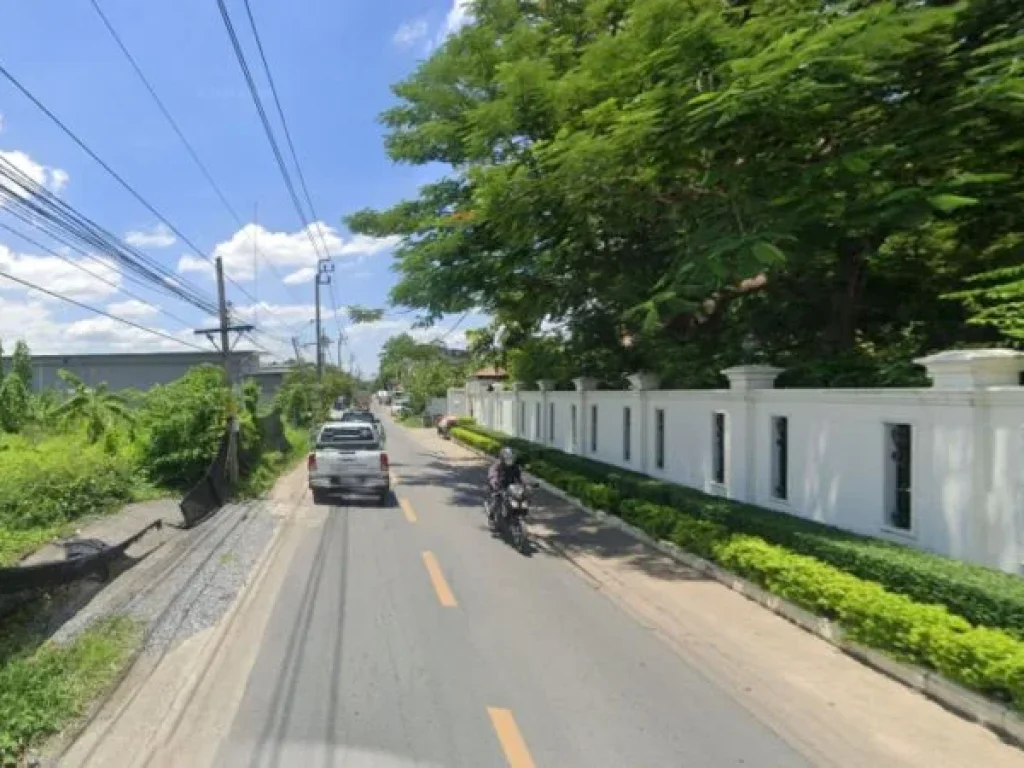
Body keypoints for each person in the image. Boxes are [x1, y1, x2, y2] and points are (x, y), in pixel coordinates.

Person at [487, 446, 522, 526]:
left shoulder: (515, 467)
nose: (509, 460)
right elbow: (492, 474)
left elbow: (519, 478)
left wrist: (524, 485)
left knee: (520, 499)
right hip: (499, 486)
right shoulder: (497, 465)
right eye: (507, 458)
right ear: (502, 458)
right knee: (497, 501)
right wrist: (494, 482)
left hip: (511, 487)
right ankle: (491, 516)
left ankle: (514, 515)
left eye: (510, 458)